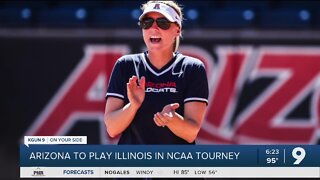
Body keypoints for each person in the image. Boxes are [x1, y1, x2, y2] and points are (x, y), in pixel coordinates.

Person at [104, 0, 209, 145]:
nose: (154, 28)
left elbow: (191, 133)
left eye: (163, 23)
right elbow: (112, 129)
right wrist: (133, 105)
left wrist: (172, 119)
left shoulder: (192, 68)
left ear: (177, 30)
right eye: (147, 22)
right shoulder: (126, 65)